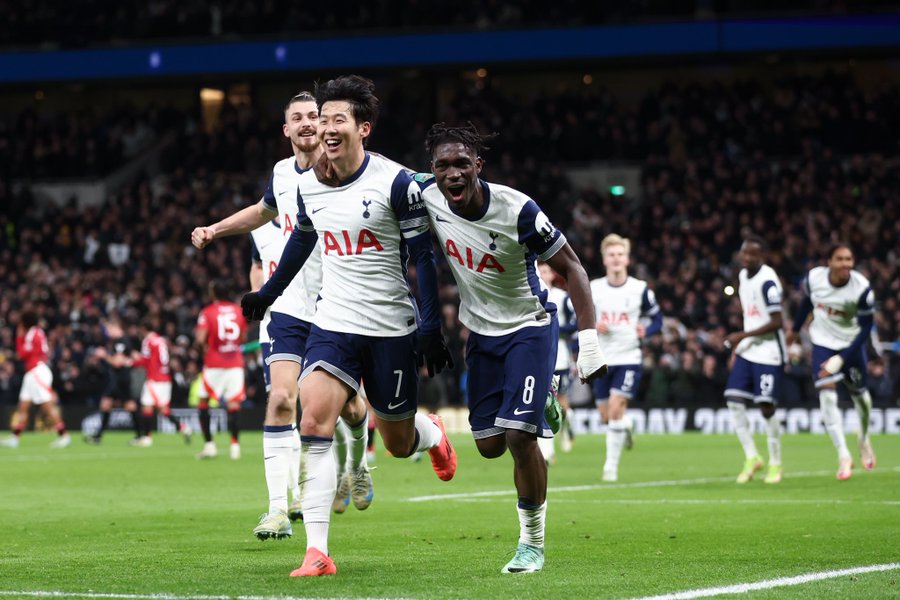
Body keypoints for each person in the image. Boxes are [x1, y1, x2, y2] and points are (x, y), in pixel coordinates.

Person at [240, 75, 455, 577]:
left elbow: (424, 258)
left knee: (398, 442)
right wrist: (268, 294)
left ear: (364, 128)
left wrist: (431, 328)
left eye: (338, 120)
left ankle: (432, 433)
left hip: (390, 328)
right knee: (312, 419)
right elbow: (303, 240)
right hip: (333, 322)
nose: (327, 128)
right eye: (324, 119)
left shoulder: (396, 183)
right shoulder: (308, 183)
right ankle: (317, 552)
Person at [417, 122, 608, 574]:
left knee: (522, 439)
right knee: (488, 446)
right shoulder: (422, 192)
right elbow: (375, 169)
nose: (453, 173)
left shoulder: (517, 209)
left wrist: (590, 340)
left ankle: (532, 544)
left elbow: (574, 268)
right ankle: (541, 399)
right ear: (432, 171)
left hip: (529, 326)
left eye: (463, 163)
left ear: (478, 166)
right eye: (443, 166)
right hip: (480, 334)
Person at [192, 91, 373, 540]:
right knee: (280, 400)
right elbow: (261, 211)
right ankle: (276, 510)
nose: (310, 123)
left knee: (350, 408)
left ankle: (357, 464)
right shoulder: (280, 174)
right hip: (290, 308)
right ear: (287, 130)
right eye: (299, 118)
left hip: (337, 305)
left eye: (315, 115)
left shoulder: (343, 170)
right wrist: (216, 228)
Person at [788, 243, 877, 480]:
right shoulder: (814, 279)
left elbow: (866, 329)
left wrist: (842, 358)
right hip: (822, 343)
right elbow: (807, 303)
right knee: (827, 397)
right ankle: (843, 455)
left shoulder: (862, 289)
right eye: (840, 259)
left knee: (863, 400)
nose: (846, 264)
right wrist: (795, 330)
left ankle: (863, 437)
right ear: (829, 261)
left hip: (851, 345)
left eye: (849, 259)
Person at [588, 233, 662, 482]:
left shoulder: (639, 289)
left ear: (627, 259)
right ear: (604, 259)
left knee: (616, 407)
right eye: (611, 255)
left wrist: (646, 330)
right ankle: (627, 426)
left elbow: (657, 317)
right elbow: (582, 316)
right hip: (602, 358)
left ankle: (610, 467)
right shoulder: (594, 288)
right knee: (606, 416)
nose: (616, 258)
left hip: (629, 355)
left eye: (620, 254)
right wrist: (594, 325)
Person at [723, 236, 785, 484]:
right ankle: (752, 457)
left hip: (769, 352)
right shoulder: (741, 276)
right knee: (733, 399)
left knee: (766, 406)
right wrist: (741, 344)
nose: (747, 258)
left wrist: (741, 335)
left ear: (763, 256)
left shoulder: (768, 282)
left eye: (753, 255)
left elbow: (777, 322)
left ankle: (776, 463)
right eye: (744, 254)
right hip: (749, 349)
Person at [1, 310, 71, 448]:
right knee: (23, 406)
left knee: (47, 406)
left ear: (25, 322)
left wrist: (19, 337)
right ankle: (15, 437)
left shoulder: (31, 333)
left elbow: (21, 354)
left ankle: (64, 435)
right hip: (32, 373)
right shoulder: (37, 332)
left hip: (37, 372)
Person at [194, 280, 248, 460]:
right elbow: (242, 337)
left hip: (214, 363)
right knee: (233, 405)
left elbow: (200, 339)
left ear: (214, 293)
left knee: (203, 402)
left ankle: (209, 445)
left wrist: (203, 351)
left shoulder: (207, 312)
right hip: (234, 363)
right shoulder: (238, 310)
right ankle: (235, 447)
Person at [129, 317, 192, 447]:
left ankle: (147, 438)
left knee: (147, 407)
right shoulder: (162, 340)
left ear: (144, 329)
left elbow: (145, 361)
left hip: (155, 379)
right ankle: (183, 427)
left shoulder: (148, 341)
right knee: (164, 410)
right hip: (165, 378)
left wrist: (131, 362)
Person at [536, 262, 574, 465]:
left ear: (552, 275)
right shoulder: (530, 295)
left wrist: (555, 328)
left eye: (546, 271)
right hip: (541, 358)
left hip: (561, 358)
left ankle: (567, 426)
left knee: (563, 404)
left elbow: (575, 323)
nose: (543, 274)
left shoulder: (562, 297)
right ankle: (548, 452)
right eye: (540, 271)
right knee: (544, 403)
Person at [86, 319, 142, 444]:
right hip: (118, 379)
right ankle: (98, 436)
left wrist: (104, 355)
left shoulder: (121, 342)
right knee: (106, 404)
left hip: (122, 379)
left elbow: (118, 362)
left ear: (116, 327)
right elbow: (132, 355)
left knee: (130, 406)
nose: (107, 332)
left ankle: (140, 436)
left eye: (109, 329)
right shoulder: (119, 341)